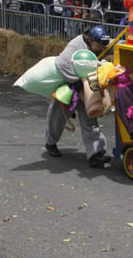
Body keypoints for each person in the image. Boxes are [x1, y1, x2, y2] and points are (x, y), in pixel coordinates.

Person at [44, 26, 111, 167]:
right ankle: (51, 143)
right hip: (70, 83)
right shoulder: (76, 45)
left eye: (102, 46)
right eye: (98, 45)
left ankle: (96, 153)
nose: (100, 49)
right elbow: (61, 63)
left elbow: (115, 43)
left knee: (90, 116)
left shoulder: (101, 44)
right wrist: (76, 80)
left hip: (89, 80)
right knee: (58, 115)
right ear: (89, 39)